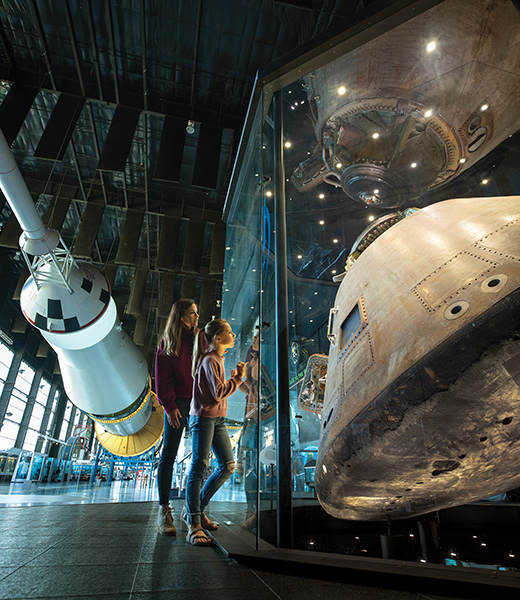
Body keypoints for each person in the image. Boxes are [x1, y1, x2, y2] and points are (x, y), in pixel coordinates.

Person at [185, 318, 245, 546]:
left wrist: (235, 379)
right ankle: (193, 523)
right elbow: (218, 392)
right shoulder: (210, 360)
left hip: (217, 419)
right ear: (218, 338)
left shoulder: (216, 359)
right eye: (229, 331)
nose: (234, 334)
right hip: (203, 419)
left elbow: (217, 393)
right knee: (199, 468)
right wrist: (238, 378)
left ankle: (195, 512)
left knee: (228, 466)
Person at [155, 298, 200, 535]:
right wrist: (170, 406)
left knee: (202, 457)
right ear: (181, 316)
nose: (196, 317)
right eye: (192, 313)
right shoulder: (167, 343)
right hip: (178, 404)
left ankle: (194, 511)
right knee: (169, 455)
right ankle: (164, 509)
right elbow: (162, 379)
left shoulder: (199, 340)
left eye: (196, 313)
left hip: (199, 403)